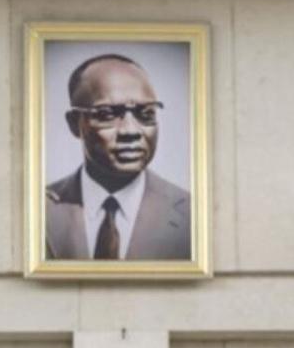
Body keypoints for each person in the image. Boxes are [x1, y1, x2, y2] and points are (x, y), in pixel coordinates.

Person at [46, 53, 191, 261]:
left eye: (146, 114)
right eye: (106, 114)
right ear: (74, 123)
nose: (130, 131)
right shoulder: (37, 209)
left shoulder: (195, 215)